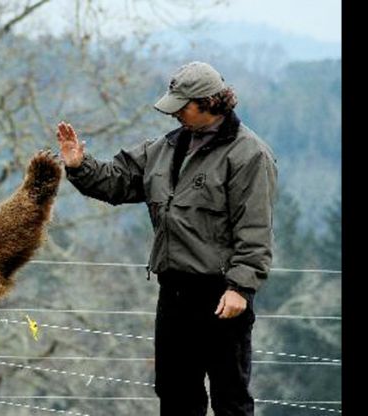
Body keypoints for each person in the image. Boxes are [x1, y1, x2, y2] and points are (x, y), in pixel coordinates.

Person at [55, 61, 277, 416]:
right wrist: (80, 165)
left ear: (209, 103)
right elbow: (117, 181)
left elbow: (255, 230)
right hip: (173, 294)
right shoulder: (163, 148)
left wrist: (241, 287)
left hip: (222, 295)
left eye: (181, 106)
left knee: (229, 399)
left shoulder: (249, 155)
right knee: (175, 394)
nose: (173, 114)